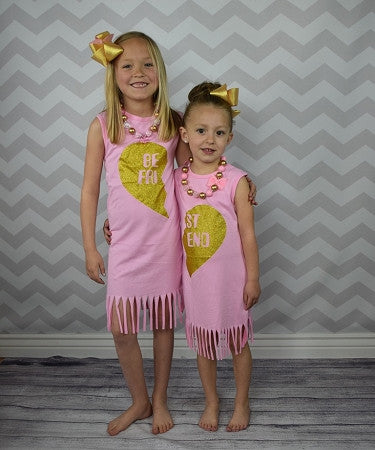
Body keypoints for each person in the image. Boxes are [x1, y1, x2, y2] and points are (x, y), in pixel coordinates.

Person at [80, 30, 191, 436]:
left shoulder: (173, 122)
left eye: (147, 64)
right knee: (122, 328)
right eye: (127, 65)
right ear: (113, 73)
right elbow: (91, 188)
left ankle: (160, 399)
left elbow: (191, 176)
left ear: (159, 71)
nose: (138, 72)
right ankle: (139, 400)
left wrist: (236, 187)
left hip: (165, 243)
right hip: (125, 246)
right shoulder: (103, 125)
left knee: (163, 323)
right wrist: (91, 245)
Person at [174, 82, 261, 432]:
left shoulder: (236, 182)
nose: (210, 139)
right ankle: (212, 401)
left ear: (230, 138)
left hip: (232, 280)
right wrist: (112, 224)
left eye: (219, 132)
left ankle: (242, 402)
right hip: (196, 280)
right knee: (205, 345)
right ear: (184, 134)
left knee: (238, 342)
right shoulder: (176, 180)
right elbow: (157, 220)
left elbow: (248, 234)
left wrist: (253, 277)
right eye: (201, 130)